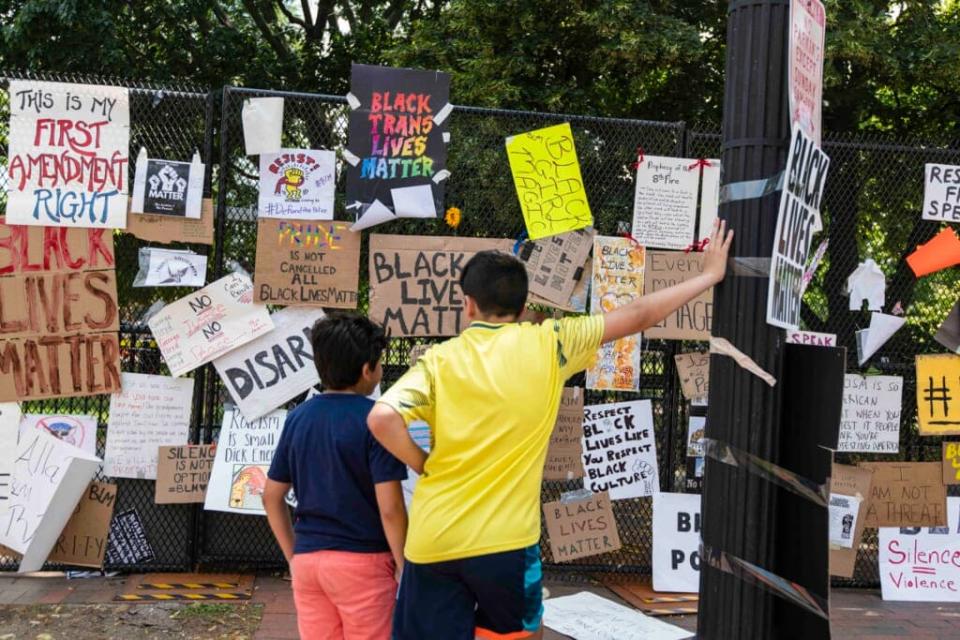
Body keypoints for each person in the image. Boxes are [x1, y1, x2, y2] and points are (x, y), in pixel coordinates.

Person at [368, 220, 734, 640]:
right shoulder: (552, 342)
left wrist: (423, 462)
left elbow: (381, 418)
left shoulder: (438, 360)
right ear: (524, 306)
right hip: (506, 544)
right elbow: (638, 314)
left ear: (468, 304)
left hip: (433, 540)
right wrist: (708, 275)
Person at [263, 313, 408, 640]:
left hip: (309, 563)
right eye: (379, 363)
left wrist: (293, 556)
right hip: (364, 564)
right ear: (366, 370)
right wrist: (404, 565)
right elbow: (391, 508)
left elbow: (271, 496)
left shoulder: (298, 418)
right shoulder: (378, 421)